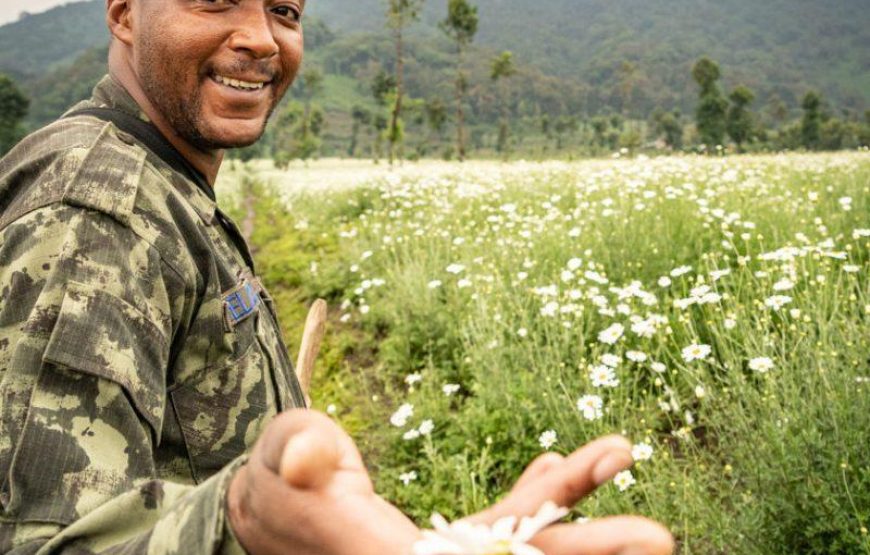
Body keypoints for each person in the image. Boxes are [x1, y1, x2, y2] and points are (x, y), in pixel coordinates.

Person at [0, 1, 675, 554]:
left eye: (284, 12)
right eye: (216, 1)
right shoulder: (96, 211)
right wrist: (247, 522)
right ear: (123, 14)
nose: (262, 39)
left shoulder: (164, 185)